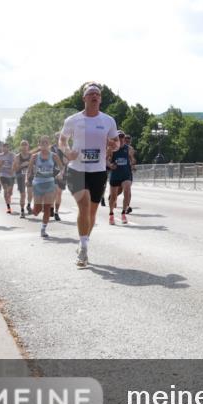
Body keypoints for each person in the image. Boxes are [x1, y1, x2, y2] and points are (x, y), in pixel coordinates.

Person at [59, 83, 121, 267]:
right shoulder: (73, 120)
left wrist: (114, 145)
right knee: (84, 206)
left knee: (92, 212)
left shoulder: (108, 120)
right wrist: (67, 151)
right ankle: (84, 251)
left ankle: (83, 243)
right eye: (91, 93)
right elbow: (62, 140)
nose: (95, 96)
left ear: (100, 99)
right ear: (84, 98)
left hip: (98, 171)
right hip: (77, 170)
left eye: (98, 94)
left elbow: (116, 142)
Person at [28, 135, 59, 238]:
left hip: (49, 183)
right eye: (42, 143)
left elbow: (62, 167)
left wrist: (60, 174)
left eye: (46, 143)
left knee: (47, 208)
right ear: (39, 144)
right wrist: (27, 179)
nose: (44, 145)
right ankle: (33, 209)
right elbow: (29, 170)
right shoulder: (34, 156)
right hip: (37, 184)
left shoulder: (54, 156)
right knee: (37, 210)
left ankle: (43, 229)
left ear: (49, 144)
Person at [107, 131, 136, 224]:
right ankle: (111, 214)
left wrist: (132, 164)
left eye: (122, 136)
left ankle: (123, 213)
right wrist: (110, 165)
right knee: (113, 197)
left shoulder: (129, 149)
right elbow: (106, 159)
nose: (121, 138)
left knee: (127, 190)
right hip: (115, 175)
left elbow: (132, 159)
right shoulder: (111, 149)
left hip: (126, 174)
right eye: (119, 137)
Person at [50, 132, 67, 221]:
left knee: (59, 193)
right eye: (57, 138)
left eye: (60, 138)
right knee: (54, 191)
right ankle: (51, 208)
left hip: (63, 172)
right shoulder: (52, 148)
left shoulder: (65, 148)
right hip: (53, 172)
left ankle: (56, 212)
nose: (58, 139)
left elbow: (67, 161)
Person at [14, 140, 33, 218]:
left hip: (30, 176)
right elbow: (16, 168)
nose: (24, 146)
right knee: (23, 195)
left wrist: (30, 166)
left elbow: (34, 166)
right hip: (20, 176)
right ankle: (22, 211)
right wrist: (22, 165)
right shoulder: (17, 156)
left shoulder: (31, 156)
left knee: (30, 193)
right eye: (22, 145)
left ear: (28, 146)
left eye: (26, 145)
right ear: (20, 147)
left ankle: (28, 205)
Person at [0, 143, 17, 214]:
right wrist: (0, 164)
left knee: (10, 192)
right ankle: (8, 207)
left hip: (11, 175)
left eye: (6, 147)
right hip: (3, 175)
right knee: (5, 190)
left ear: (9, 148)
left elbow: (15, 163)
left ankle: (9, 198)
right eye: (4, 147)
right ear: (2, 148)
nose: (5, 149)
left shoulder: (12, 155)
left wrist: (12, 170)